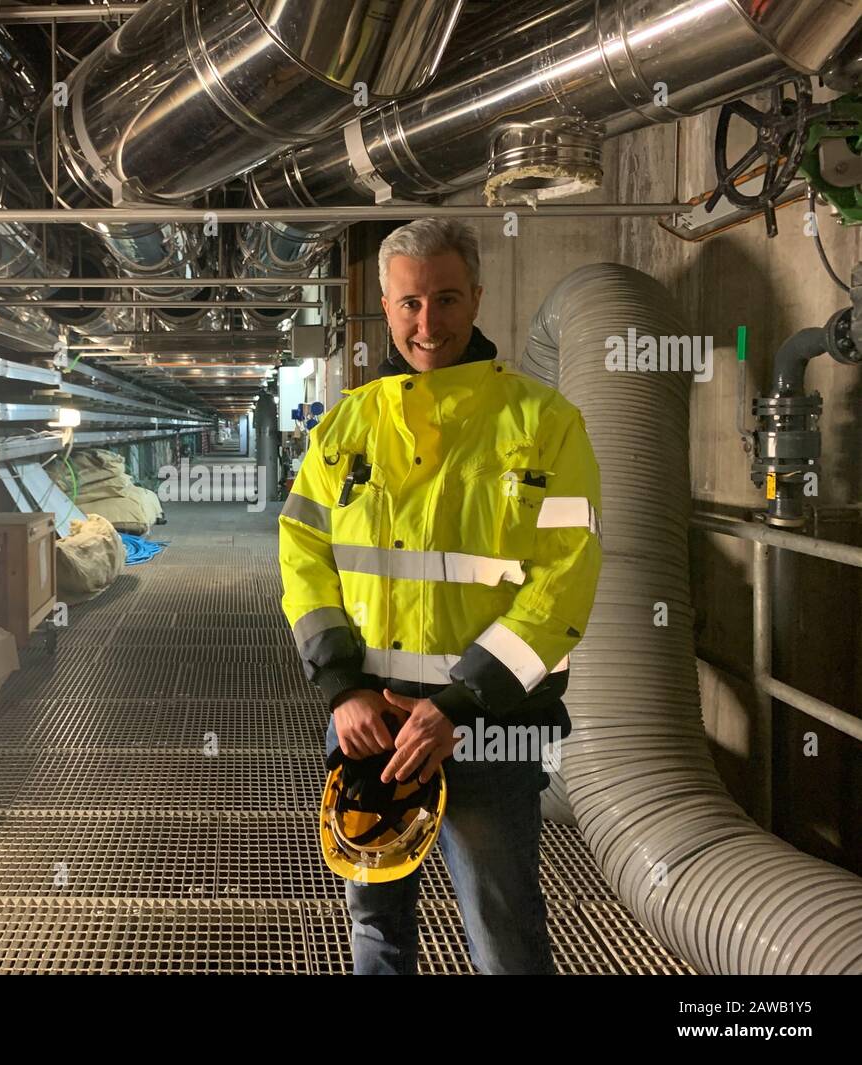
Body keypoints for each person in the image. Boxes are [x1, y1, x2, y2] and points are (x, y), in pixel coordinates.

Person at [279, 218, 603, 974]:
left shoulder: (544, 423)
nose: (429, 323)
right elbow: (303, 558)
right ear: (386, 307)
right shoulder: (346, 426)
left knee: (502, 924)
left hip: (484, 730)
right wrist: (341, 689)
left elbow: (565, 580)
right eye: (410, 303)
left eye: (448, 298)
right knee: (376, 924)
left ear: (478, 296)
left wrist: (459, 703)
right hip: (367, 724)